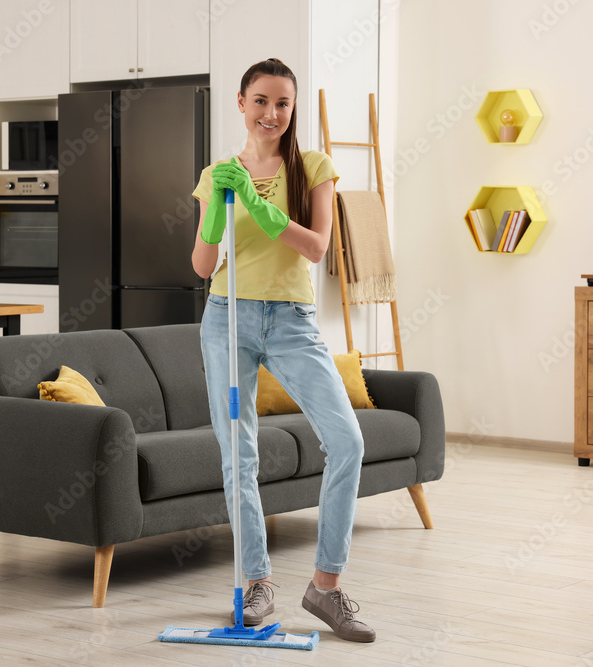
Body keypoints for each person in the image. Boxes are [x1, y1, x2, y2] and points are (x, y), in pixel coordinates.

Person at [190, 58, 375, 643]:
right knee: (237, 454)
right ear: (241, 104)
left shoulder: (313, 167)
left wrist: (262, 205)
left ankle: (324, 586)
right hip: (227, 317)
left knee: (347, 441)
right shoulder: (215, 173)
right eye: (262, 101)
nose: (272, 113)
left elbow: (318, 247)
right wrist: (219, 213)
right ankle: (258, 582)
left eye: (283, 104)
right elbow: (200, 266)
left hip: (293, 322)